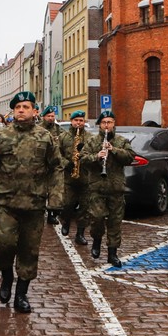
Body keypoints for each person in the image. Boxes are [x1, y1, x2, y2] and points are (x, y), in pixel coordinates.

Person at [0, 91, 64, 313]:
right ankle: (6, 274)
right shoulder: (1, 137)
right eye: (18, 107)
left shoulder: (45, 137)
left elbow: (56, 168)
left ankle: (21, 293)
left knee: (29, 250)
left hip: (34, 203)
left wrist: (56, 199)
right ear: (13, 111)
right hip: (4, 202)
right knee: (2, 244)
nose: (21, 110)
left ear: (34, 111)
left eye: (25, 107)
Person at [82, 110, 134, 267]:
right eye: (104, 122)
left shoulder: (121, 141)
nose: (107, 125)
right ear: (99, 124)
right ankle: (96, 241)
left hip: (116, 188)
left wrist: (113, 150)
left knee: (115, 223)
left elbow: (130, 157)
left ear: (114, 124)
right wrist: (96, 156)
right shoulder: (92, 142)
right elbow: (83, 159)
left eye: (109, 122)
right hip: (96, 187)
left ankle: (112, 253)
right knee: (97, 218)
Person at [60, 110, 90, 246]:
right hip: (68, 178)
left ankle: (80, 233)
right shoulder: (64, 137)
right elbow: (56, 155)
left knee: (84, 207)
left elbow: (94, 154)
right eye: (76, 120)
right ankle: (66, 221)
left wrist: (85, 158)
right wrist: (67, 163)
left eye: (81, 120)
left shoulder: (90, 138)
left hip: (85, 178)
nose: (78, 123)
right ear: (71, 121)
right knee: (67, 204)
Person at [38, 105, 67, 226]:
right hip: (41, 164)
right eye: (48, 116)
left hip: (54, 164)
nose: (50, 118)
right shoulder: (38, 129)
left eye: (52, 116)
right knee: (41, 190)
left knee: (55, 191)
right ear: (43, 117)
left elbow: (65, 143)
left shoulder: (59, 130)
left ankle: (52, 214)